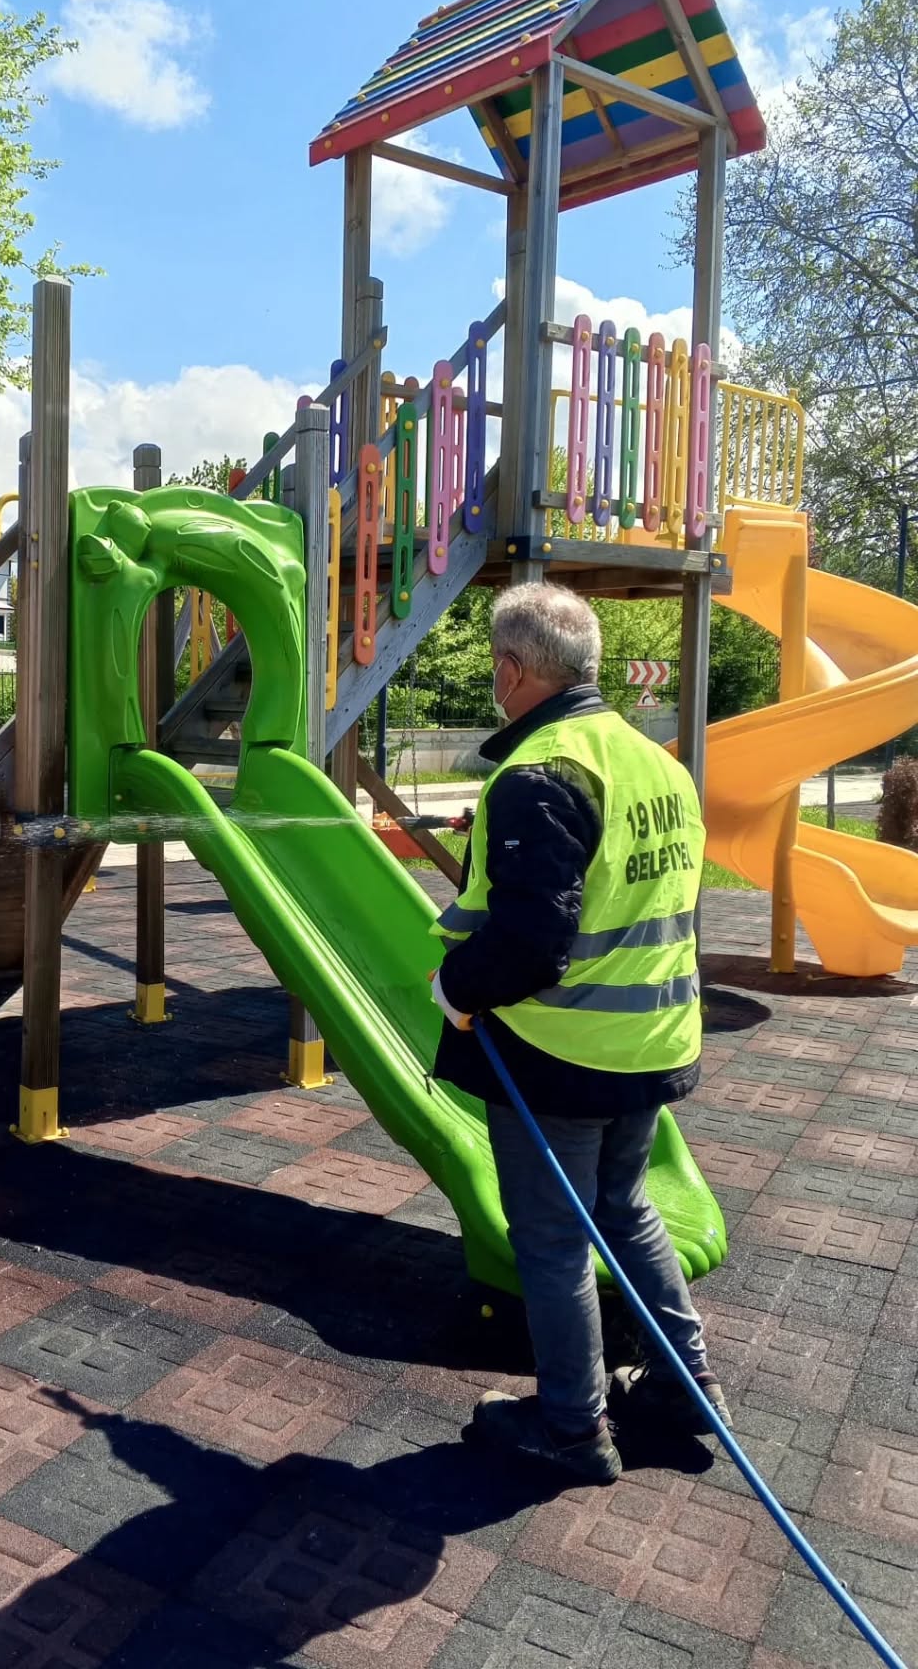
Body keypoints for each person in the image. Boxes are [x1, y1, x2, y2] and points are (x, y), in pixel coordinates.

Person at [430, 581, 729, 1485]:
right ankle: (684, 1386)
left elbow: (534, 938)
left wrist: (456, 986)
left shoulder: (540, 773)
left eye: (495, 670)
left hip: (565, 1051)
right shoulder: (654, 764)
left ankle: (571, 1428)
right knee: (625, 1208)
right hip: (655, 1040)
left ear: (514, 671)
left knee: (554, 1240)